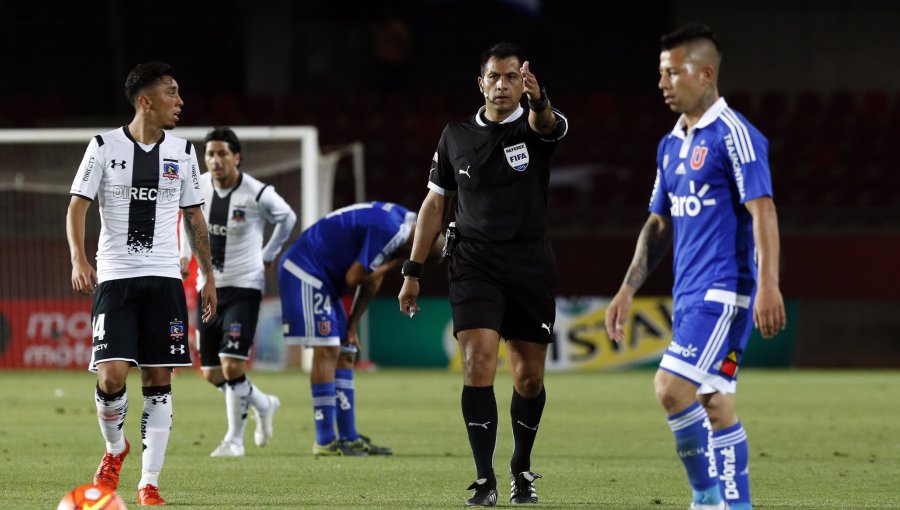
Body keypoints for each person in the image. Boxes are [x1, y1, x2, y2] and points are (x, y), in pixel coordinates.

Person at [604, 23, 786, 510]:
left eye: (672, 72)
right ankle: (737, 505)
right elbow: (658, 224)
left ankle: (705, 498)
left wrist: (768, 284)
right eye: (660, 74)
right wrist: (626, 288)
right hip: (688, 296)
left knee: (669, 388)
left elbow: (762, 210)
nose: (663, 83)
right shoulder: (670, 144)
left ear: (705, 74)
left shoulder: (737, 136)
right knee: (716, 404)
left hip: (723, 293)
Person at [397, 42, 568, 507]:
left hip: (530, 262)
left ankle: (521, 468)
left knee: (528, 377)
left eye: (512, 77)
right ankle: (484, 478)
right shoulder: (455, 136)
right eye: (494, 77)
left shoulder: (537, 125)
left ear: (522, 83)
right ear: (481, 83)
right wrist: (413, 270)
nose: (502, 85)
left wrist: (541, 99)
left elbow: (548, 124)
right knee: (477, 364)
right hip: (474, 262)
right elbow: (435, 203)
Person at [66, 61, 217, 506]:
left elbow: (194, 217)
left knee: (158, 376)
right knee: (111, 376)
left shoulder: (184, 151)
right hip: (115, 277)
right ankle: (115, 450)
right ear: (145, 101)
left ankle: (149, 481)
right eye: (171, 92)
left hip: (166, 278)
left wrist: (208, 274)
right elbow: (77, 206)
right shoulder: (102, 146)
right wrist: (78, 258)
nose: (180, 101)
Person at [179, 127, 296, 457]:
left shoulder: (257, 193)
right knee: (212, 373)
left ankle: (234, 440)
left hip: (245, 286)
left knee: (232, 366)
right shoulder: (198, 185)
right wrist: (185, 255)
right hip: (208, 286)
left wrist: (269, 253)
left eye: (222, 154)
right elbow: (185, 220)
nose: (215, 161)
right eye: (210, 154)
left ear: (237, 157)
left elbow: (288, 218)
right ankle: (262, 402)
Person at [278, 201, 422, 457]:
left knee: (346, 348)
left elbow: (370, 279)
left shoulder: (403, 221)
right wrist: (397, 263)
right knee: (328, 349)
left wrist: (352, 325)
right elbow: (355, 278)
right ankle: (324, 440)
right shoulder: (391, 230)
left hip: (325, 281)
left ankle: (349, 437)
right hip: (305, 271)